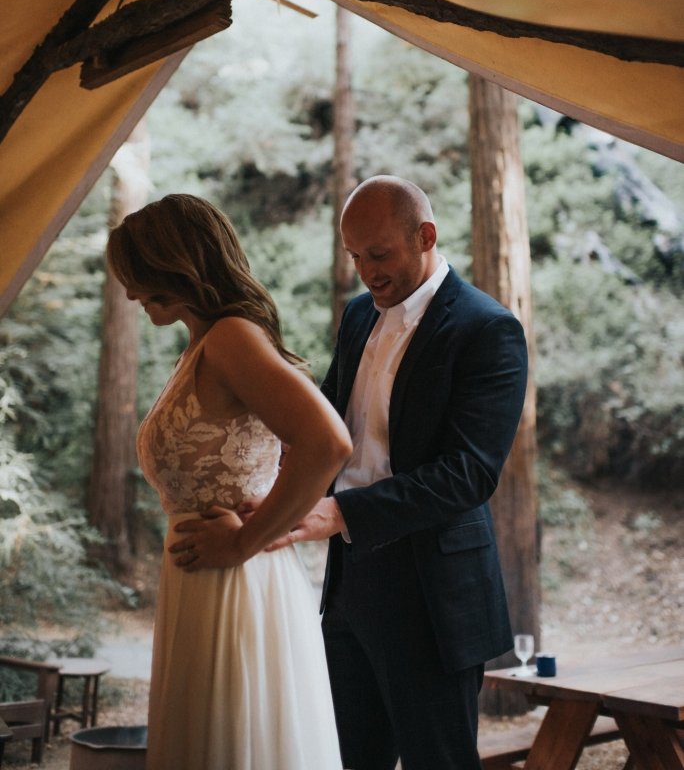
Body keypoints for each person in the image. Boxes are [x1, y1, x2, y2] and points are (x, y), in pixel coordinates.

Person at [174, 175, 528, 770]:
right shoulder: (360, 314)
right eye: (355, 256)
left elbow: (468, 475)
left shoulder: (487, 329)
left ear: (426, 236)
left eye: (379, 254)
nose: (366, 271)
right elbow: (325, 422)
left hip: (433, 597)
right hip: (347, 587)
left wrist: (335, 512)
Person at [106, 193, 351, 770]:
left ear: (175, 267)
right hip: (204, 583)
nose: (129, 293)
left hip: (233, 578)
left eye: (137, 277)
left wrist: (244, 541)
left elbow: (328, 443)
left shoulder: (231, 339)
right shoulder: (203, 344)